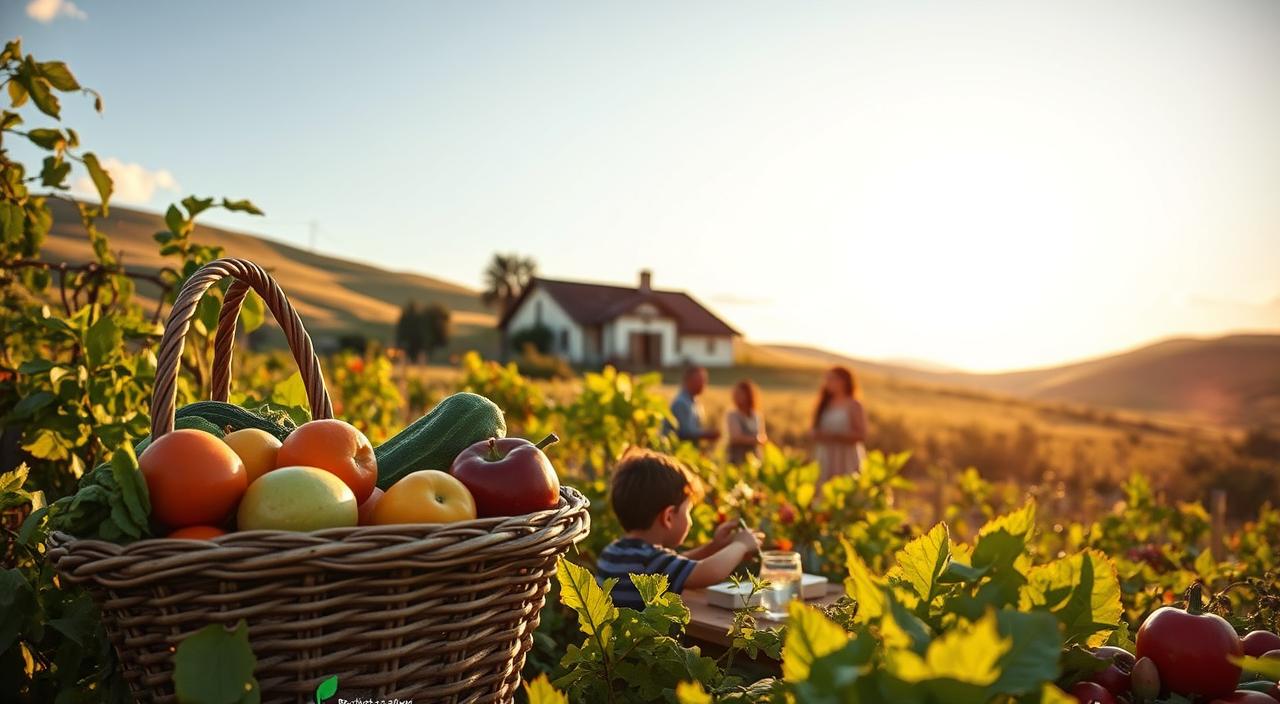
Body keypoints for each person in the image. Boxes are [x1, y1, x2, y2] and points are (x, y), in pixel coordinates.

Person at [596, 449, 761, 609]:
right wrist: (741, 545)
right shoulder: (652, 562)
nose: (690, 520)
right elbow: (709, 571)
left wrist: (714, 546)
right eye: (688, 511)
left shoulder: (613, 552)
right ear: (668, 517)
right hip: (642, 638)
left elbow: (679, 563)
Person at [810, 366, 868, 487]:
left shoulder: (854, 405)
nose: (828, 383)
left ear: (844, 382)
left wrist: (834, 437)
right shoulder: (825, 404)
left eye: (832, 379)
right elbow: (814, 428)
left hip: (846, 457)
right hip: (825, 455)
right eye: (827, 379)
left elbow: (862, 435)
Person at [665, 366, 720, 443]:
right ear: (688, 381)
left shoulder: (695, 402)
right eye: (700, 380)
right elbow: (685, 432)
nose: (703, 384)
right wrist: (707, 434)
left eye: (704, 380)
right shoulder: (680, 402)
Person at [725, 380, 767, 464]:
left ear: (749, 395)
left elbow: (763, 436)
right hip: (737, 459)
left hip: (755, 459)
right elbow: (735, 438)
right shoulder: (732, 415)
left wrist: (760, 439)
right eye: (736, 394)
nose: (736, 396)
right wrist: (755, 439)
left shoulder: (757, 416)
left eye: (740, 394)